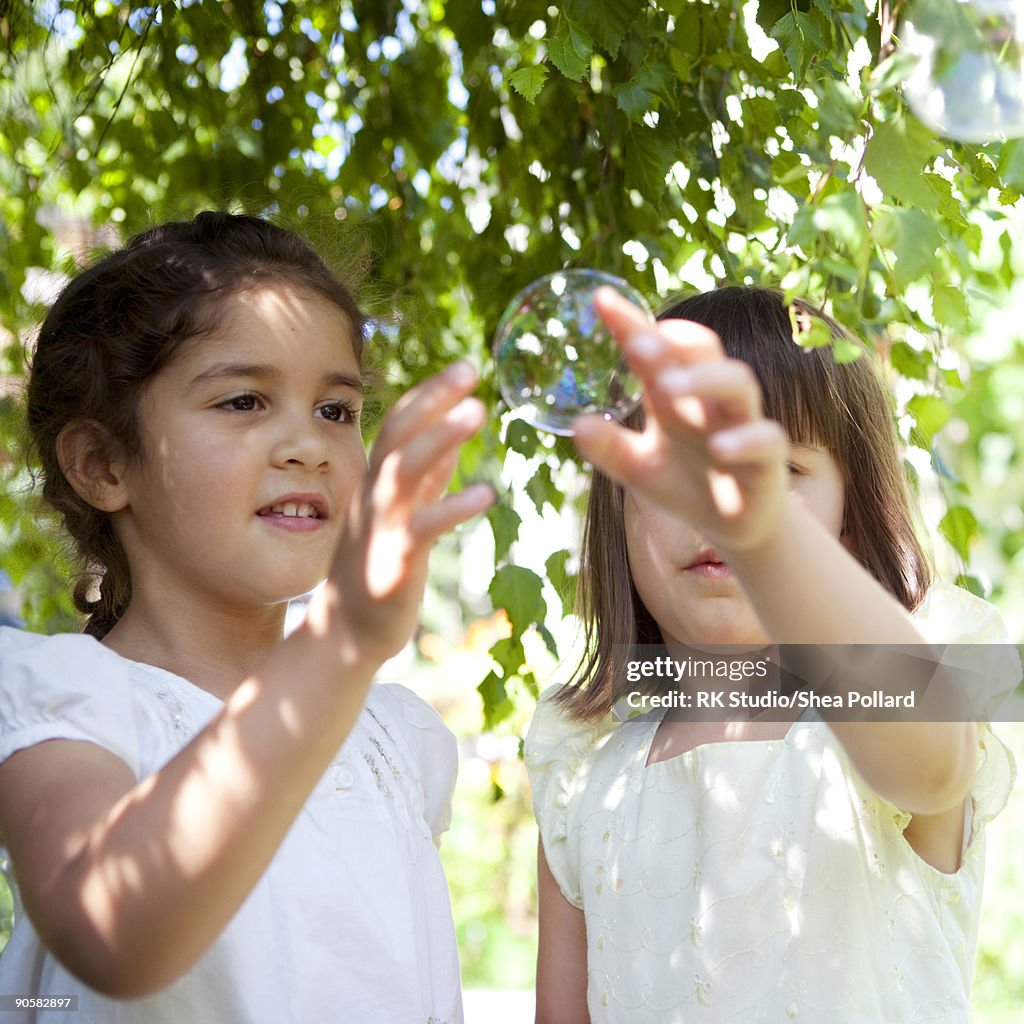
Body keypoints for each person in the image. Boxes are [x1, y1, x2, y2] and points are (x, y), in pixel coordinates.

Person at [0, 211, 496, 1023]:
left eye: (337, 410)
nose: (308, 443)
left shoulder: (393, 739)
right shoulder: (60, 705)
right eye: (243, 401)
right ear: (102, 465)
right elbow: (112, 927)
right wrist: (341, 645)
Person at [526, 285, 1019, 1022]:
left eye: (774, 473)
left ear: (851, 518)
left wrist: (770, 543)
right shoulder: (585, 765)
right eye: (675, 470)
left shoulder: (894, 688)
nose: (719, 503)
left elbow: (932, 765)